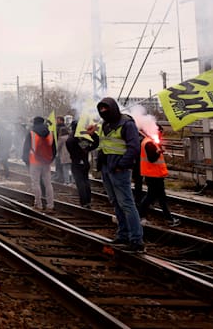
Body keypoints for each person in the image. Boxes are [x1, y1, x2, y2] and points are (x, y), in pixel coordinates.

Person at [89, 97, 144, 253]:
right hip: (106, 166)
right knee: (115, 202)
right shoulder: (105, 124)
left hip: (118, 169)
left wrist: (122, 165)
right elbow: (102, 143)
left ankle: (136, 239)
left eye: (105, 110)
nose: (103, 113)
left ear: (112, 108)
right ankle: (123, 234)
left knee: (126, 203)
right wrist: (93, 135)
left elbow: (134, 147)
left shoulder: (127, 124)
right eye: (101, 110)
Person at [137, 126, 180, 227]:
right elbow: (152, 159)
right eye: (160, 132)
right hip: (153, 175)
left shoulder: (149, 141)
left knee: (158, 197)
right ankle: (140, 215)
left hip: (153, 174)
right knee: (153, 196)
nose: (161, 135)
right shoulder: (149, 143)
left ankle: (168, 218)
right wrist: (159, 152)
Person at [22, 116, 56, 211]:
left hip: (34, 161)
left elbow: (26, 148)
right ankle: (50, 205)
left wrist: (26, 161)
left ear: (34, 123)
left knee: (35, 183)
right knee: (48, 183)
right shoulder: (50, 133)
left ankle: (38, 204)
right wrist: (50, 160)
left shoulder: (31, 133)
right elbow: (54, 149)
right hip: (46, 162)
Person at [66, 121, 98, 208]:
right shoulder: (81, 139)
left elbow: (71, 150)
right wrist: (93, 135)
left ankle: (84, 202)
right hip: (84, 161)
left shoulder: (71, 139)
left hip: (76, 162)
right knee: (86, 182)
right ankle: (88, 200)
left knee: (80, 183)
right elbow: (93, 146)